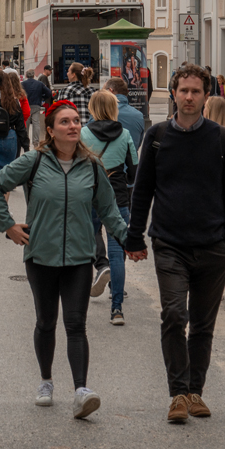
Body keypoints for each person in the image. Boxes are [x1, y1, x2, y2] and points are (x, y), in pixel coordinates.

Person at [0, 100, 127, 419]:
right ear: (50, 130)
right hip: (41, 257)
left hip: (79, 257)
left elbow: (108, 210)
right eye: (65, 122)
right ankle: (46, 381)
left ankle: (81, 391)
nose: (74, 126)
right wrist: (8, 226)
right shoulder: (35, 162)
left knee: (76, 324)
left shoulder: (91, 166)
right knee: (46, 322)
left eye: (77, 121)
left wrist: (129, 239)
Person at [124, 63, 225, 424]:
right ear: (173, 93)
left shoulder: (222, 138)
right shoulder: (159, 136)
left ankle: (195, 391)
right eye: (183, 90)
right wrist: (134, 235)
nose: (189, 97)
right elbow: (142, 189)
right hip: (170, 243)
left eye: (196, 91)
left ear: (206, 96)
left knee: (204, 326)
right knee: (175, 315)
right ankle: (177, 394)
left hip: (214, 247)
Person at [82, 90, 138, 325]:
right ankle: (117, 309)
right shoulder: (124, 134)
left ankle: (97, 269)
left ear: (92, 108)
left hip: (90, 194)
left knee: (88, 239)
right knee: (118, 253)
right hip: (118, 197)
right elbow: (134, 171)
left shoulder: (83, 133)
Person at [105, 77, 145, 148]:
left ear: (111, 91)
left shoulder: (102, 113)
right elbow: (137, 144)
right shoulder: (138, 116)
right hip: (130, 158)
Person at [22, 68, 54, 141]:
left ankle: (26, 141)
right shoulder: (39, 84)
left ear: (26, 76)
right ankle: (35, 141)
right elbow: (49, 93)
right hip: (36, 105)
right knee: (36, 124)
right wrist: (42, 98)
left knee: (26, 125)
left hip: (26, 106)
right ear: (33, 75)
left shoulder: (22, 84)